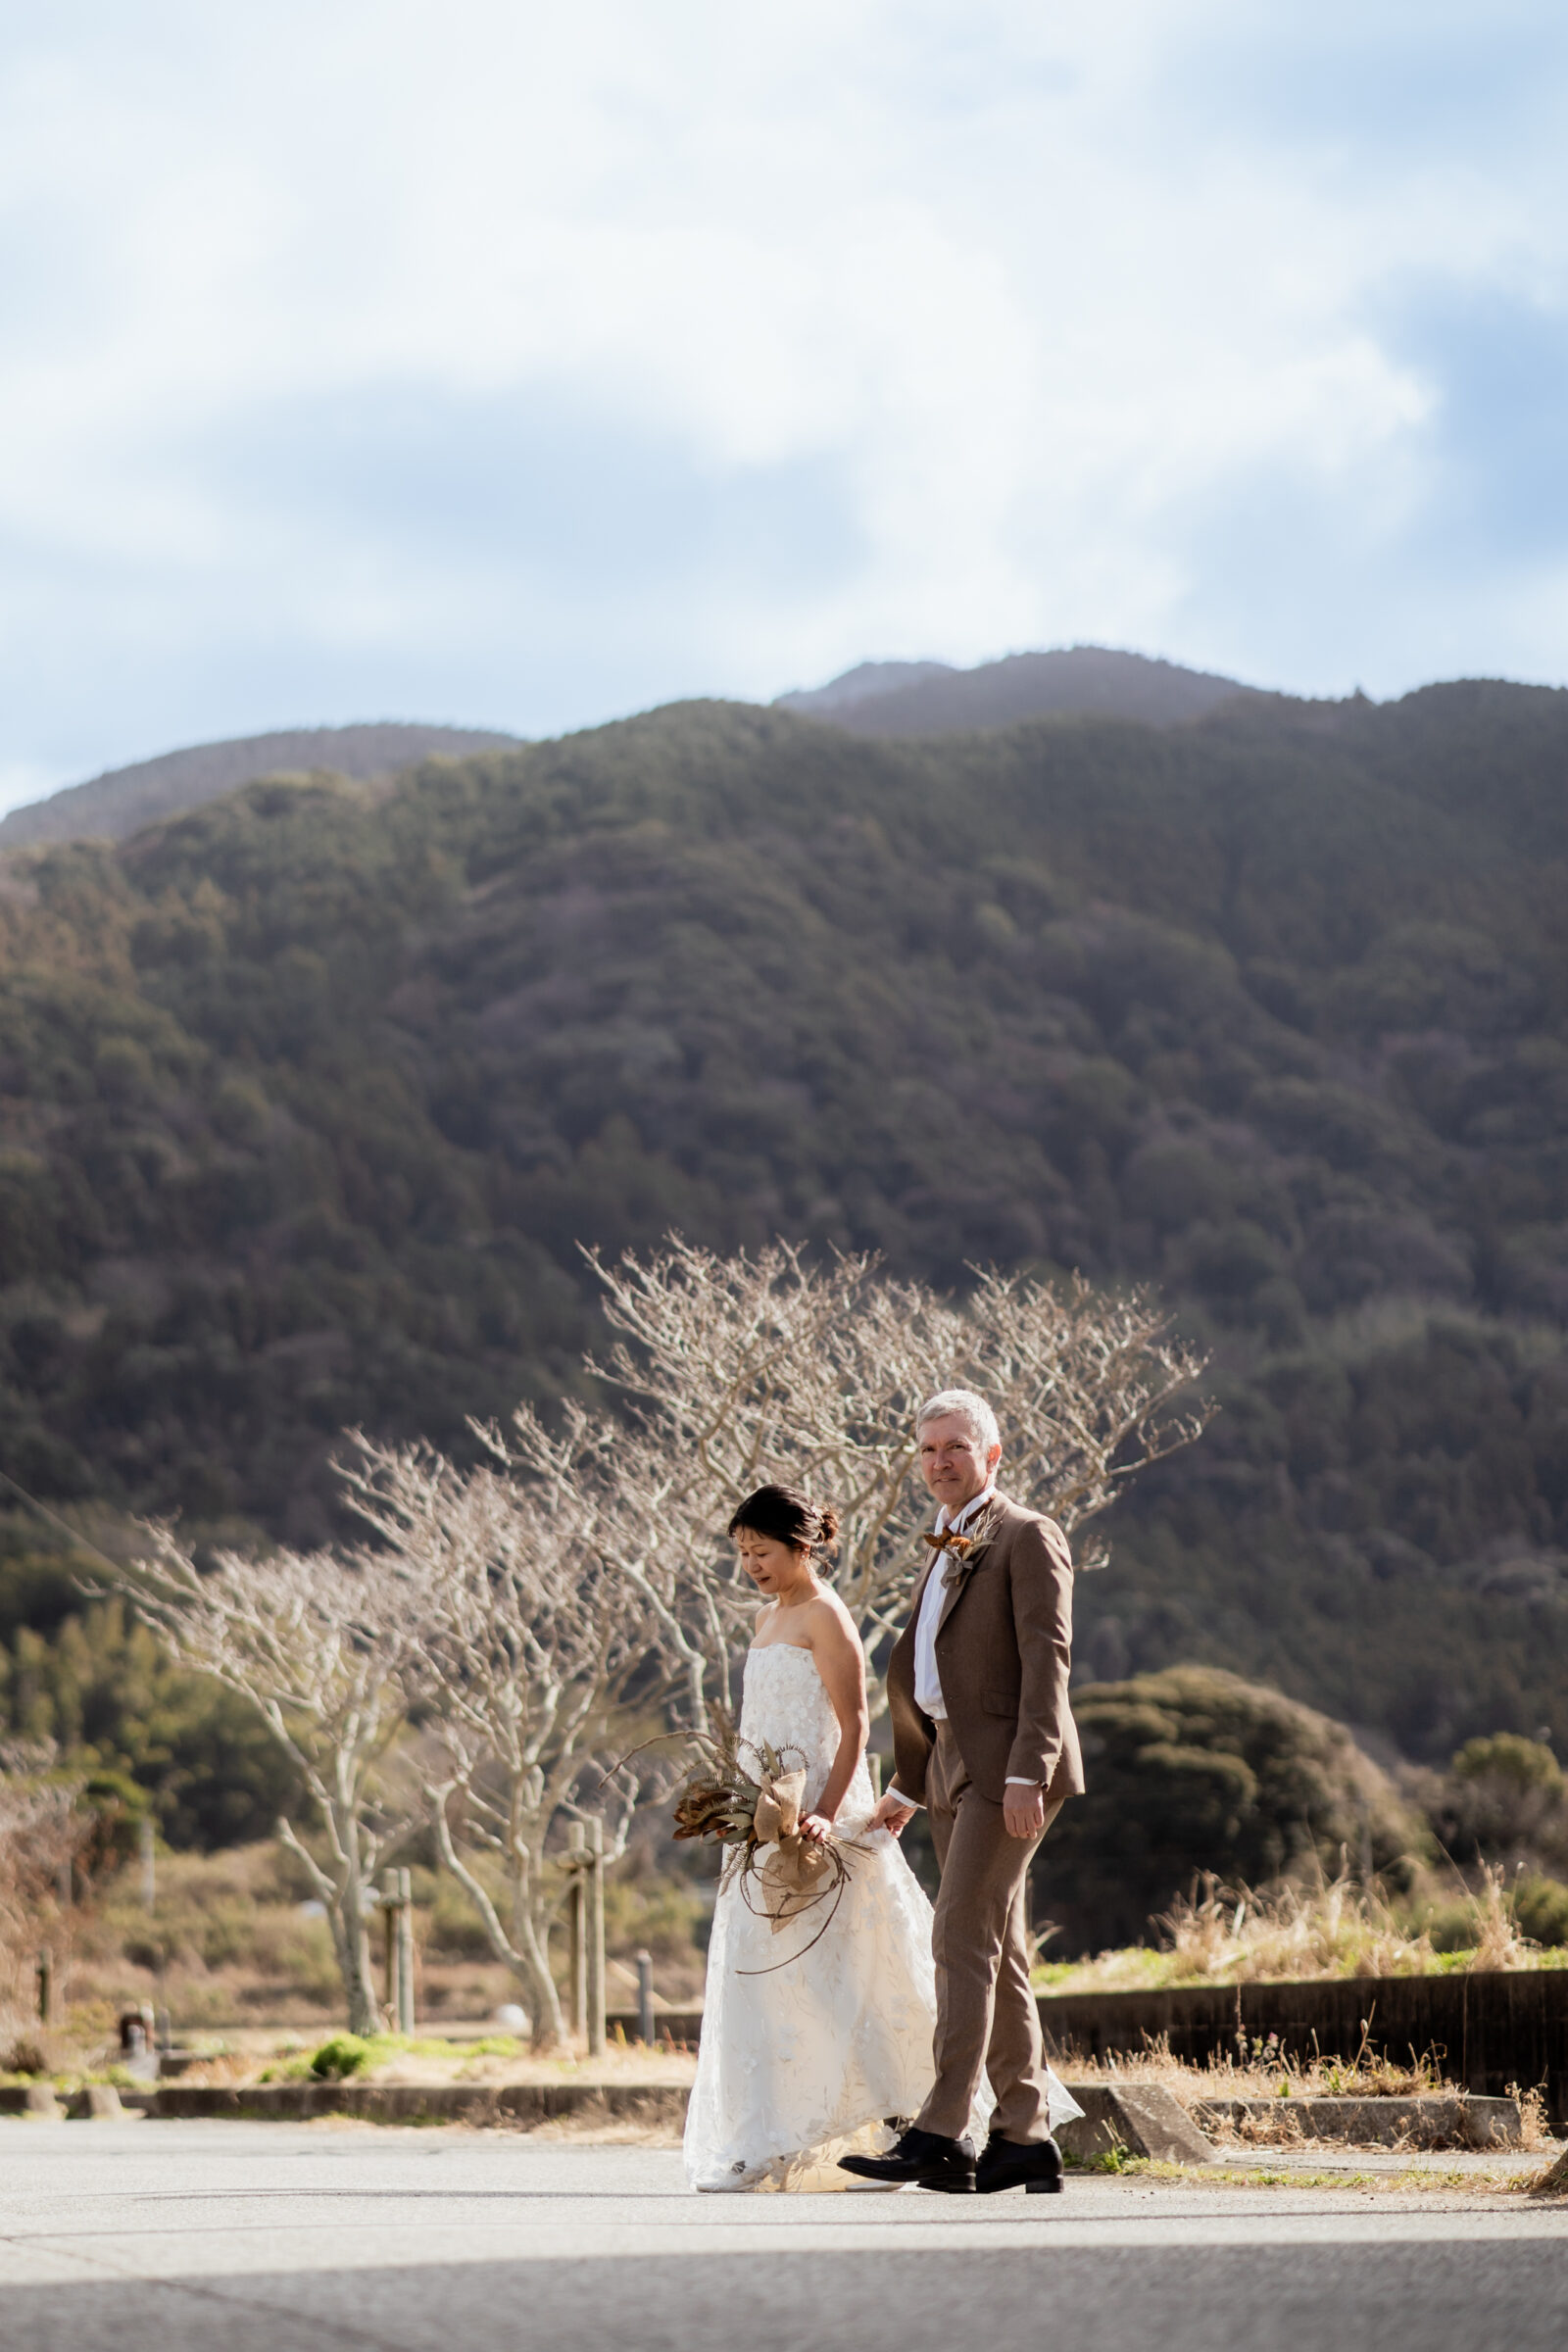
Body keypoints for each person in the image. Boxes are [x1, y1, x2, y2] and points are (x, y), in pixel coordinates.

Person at [684, 1480, 1079, 2193]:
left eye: (763, 1551)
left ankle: (925, 2121)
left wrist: (826, 1814)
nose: (752, 1565)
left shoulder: (825, 1616)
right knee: (771, 1970)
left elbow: (855, 1724)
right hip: (766, 1817)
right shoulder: (768, 1618)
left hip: (821, 1814)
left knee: (878, 1965)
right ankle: (774, 2135)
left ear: (802, 1546)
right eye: (742, 1553)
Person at [840, 1388, 1084, 2196]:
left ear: (992, 1454)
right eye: (928, 1450)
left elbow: (1047, 1661)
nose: (939, 1461)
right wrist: (910, 1783)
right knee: (998, 1948)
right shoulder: (945, 1544)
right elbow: (928, 1673)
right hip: (947, 1768)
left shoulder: (1027, 1536)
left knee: (957, 1938)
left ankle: (942, 2129)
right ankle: (1024, 2135)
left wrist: (1029, 1773)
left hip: (1009, 1770)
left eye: (955, 1447)